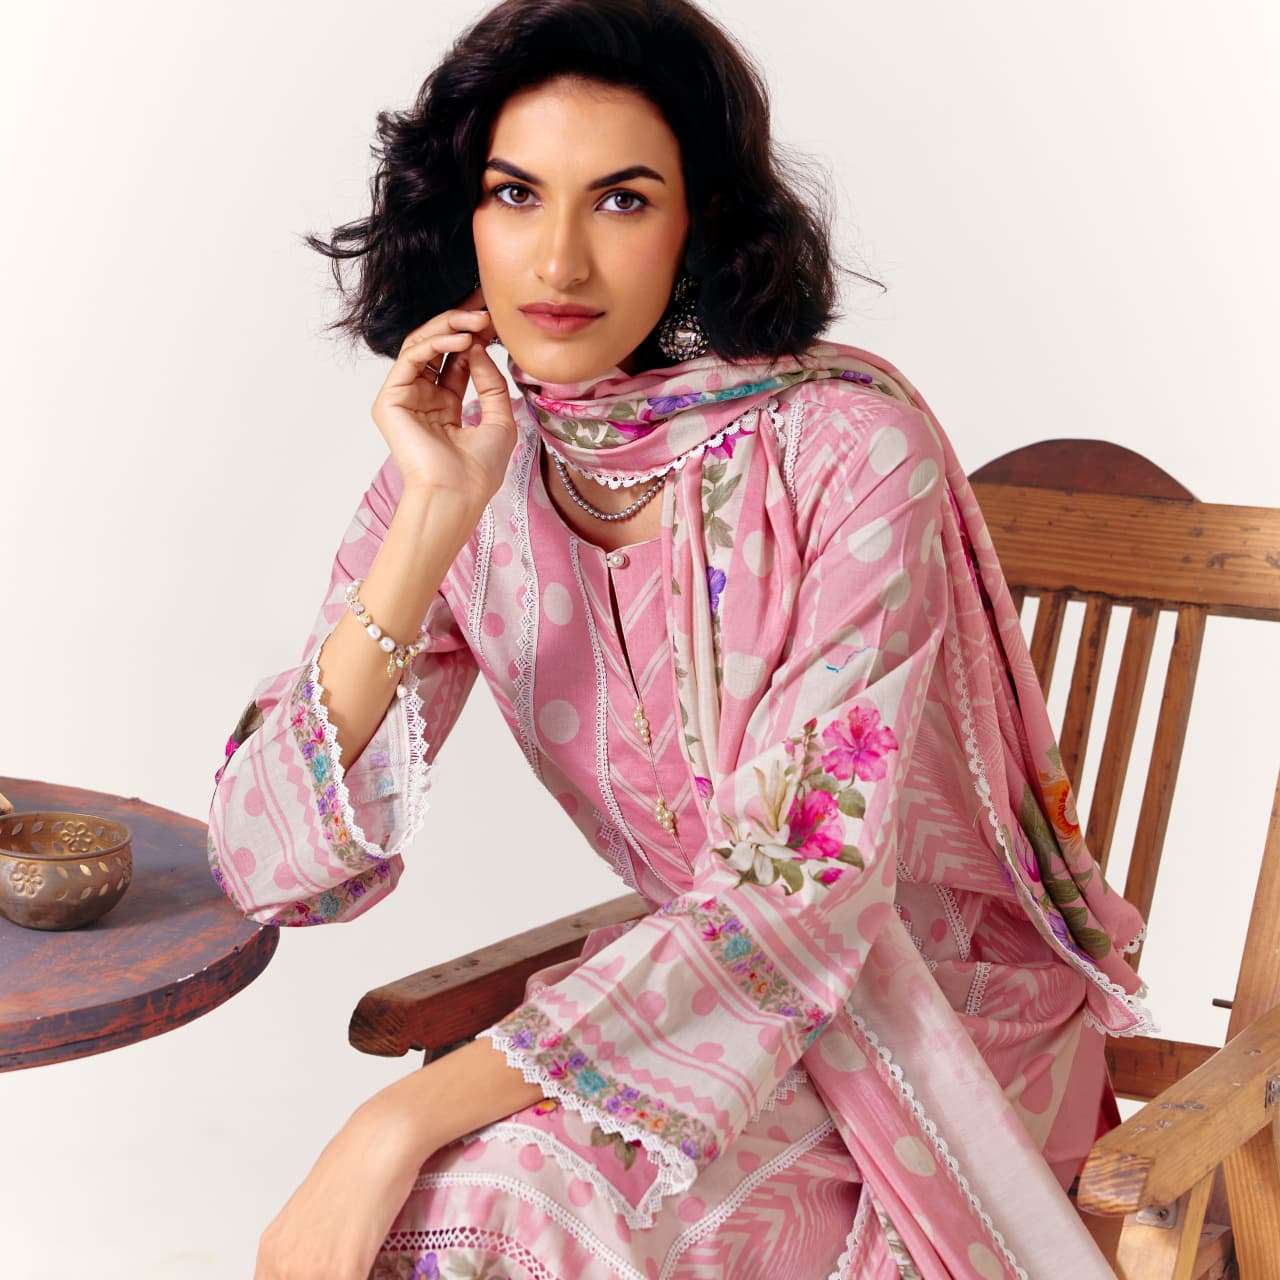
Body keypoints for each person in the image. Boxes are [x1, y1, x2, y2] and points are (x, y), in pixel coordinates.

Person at [207, 1, 1152, 1275]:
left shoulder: (848, 452)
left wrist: (393, 1119)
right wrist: (430, 518)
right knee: (480, 1208)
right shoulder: (472, 463)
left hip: (935, 1023)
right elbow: (269, 859)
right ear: (460, 216)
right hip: (688, 1011)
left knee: (489, 1207)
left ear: (697, 218)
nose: (556, 262)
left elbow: (801, 884)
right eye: (514, 193)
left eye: (620, 200)